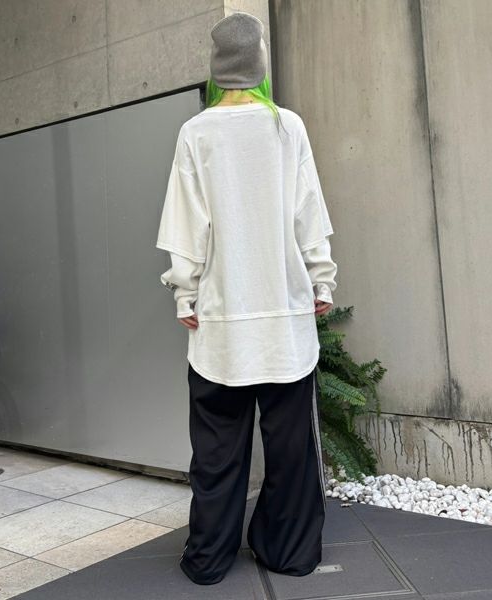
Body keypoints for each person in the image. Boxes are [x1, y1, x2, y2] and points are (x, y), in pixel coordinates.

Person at [155, 11, 338, 586]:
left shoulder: (196, 133)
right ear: (259, 64)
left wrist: (185, 294)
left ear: (217, 69)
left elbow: (187, 225)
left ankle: (208, 559)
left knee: (216, 449)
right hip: (284, 319)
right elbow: (308, 213)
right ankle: (290, 552)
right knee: (291, 451)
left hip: (221, 322)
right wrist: (321, 280)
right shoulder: (288, 127)